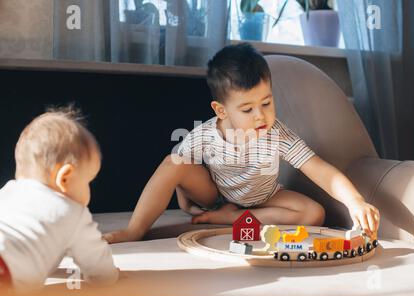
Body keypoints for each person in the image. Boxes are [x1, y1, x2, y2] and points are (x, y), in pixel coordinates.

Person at [104, 43, 380, 244]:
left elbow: (320, 170)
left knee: (313, 213)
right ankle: (135, 230)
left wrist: (354, 201)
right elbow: (177, 167)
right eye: (247, 109)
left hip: (264, 198)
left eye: (267, 102)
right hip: (215, 194)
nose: (260, 115)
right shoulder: (205, 135)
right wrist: (184, 199)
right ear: (222, 110)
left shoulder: (277, 133)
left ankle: (231, 218)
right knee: (173, 161)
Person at [0, 107, 119, 293]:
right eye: (88, 181)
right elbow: (98, 266)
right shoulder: (72, 212)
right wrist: (110, 277)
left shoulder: (8, 191)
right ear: (65, 178)